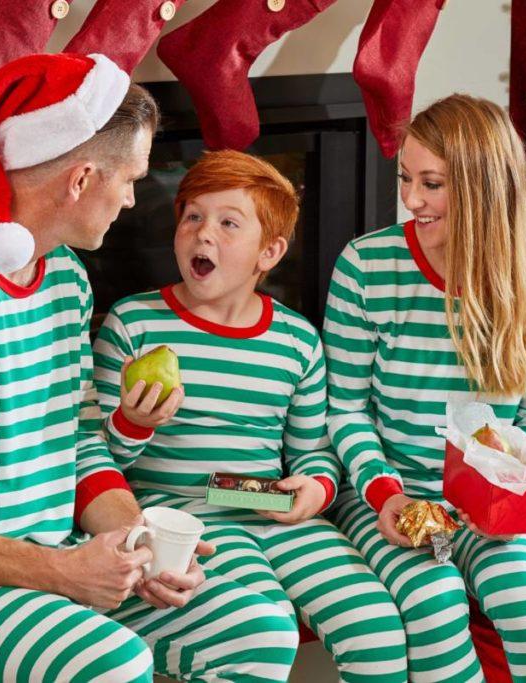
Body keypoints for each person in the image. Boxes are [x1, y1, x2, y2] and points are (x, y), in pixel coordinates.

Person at [0, 53, 296, 682]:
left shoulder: (64, 280)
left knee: (260, 632)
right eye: (131, 178)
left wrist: (137, 541)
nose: (136, 199)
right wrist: (63, 573)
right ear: (81, 180)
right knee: (115, 664)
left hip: (52, 560)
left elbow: (81, 445)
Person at [93, 149, 409, 683]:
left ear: (270, 251)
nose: (203, 233)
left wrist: (315, 491)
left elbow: (313, 450)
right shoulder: (133, 325)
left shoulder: (295, 340)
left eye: (227, 223)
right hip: (184, 518)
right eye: (192, 216)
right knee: (267, 625)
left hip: (267, 505)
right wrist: (133, 421)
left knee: (377, 628)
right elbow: (99, 458)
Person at [323, 93, 526, 682]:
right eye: (405, 178)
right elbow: (344, 410)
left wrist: (498, 488)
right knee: (435, 604)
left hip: (496, 503)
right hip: (387, 496)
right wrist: (388, 495)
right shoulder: (367, 267)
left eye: (432, 184)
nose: (411, 199)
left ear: (483, 189)